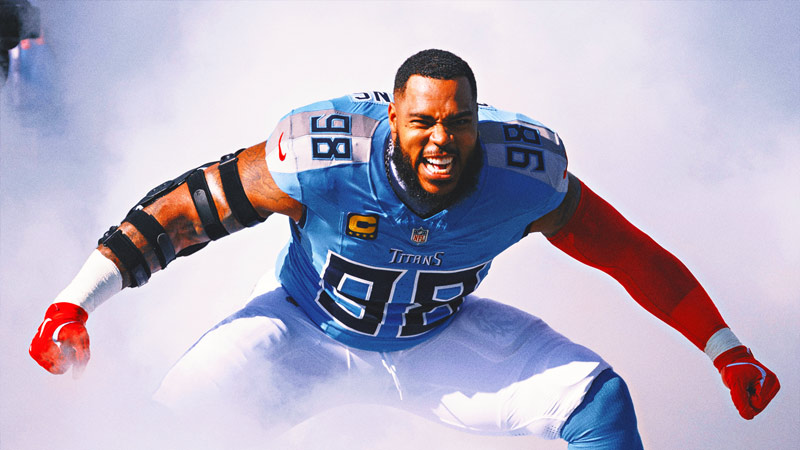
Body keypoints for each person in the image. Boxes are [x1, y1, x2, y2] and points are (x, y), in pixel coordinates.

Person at [29, 49, 779, 448]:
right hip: (302, 333)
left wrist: (727, 350)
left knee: (600, 405)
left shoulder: (524, 176)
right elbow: (181, 214)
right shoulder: (322, 158)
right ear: (392, 118)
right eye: (422, 122)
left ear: (478, 122)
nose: (441, 140)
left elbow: (632, 257)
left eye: (458, 123)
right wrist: (73, 302)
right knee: (162, 433)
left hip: (437, 343)